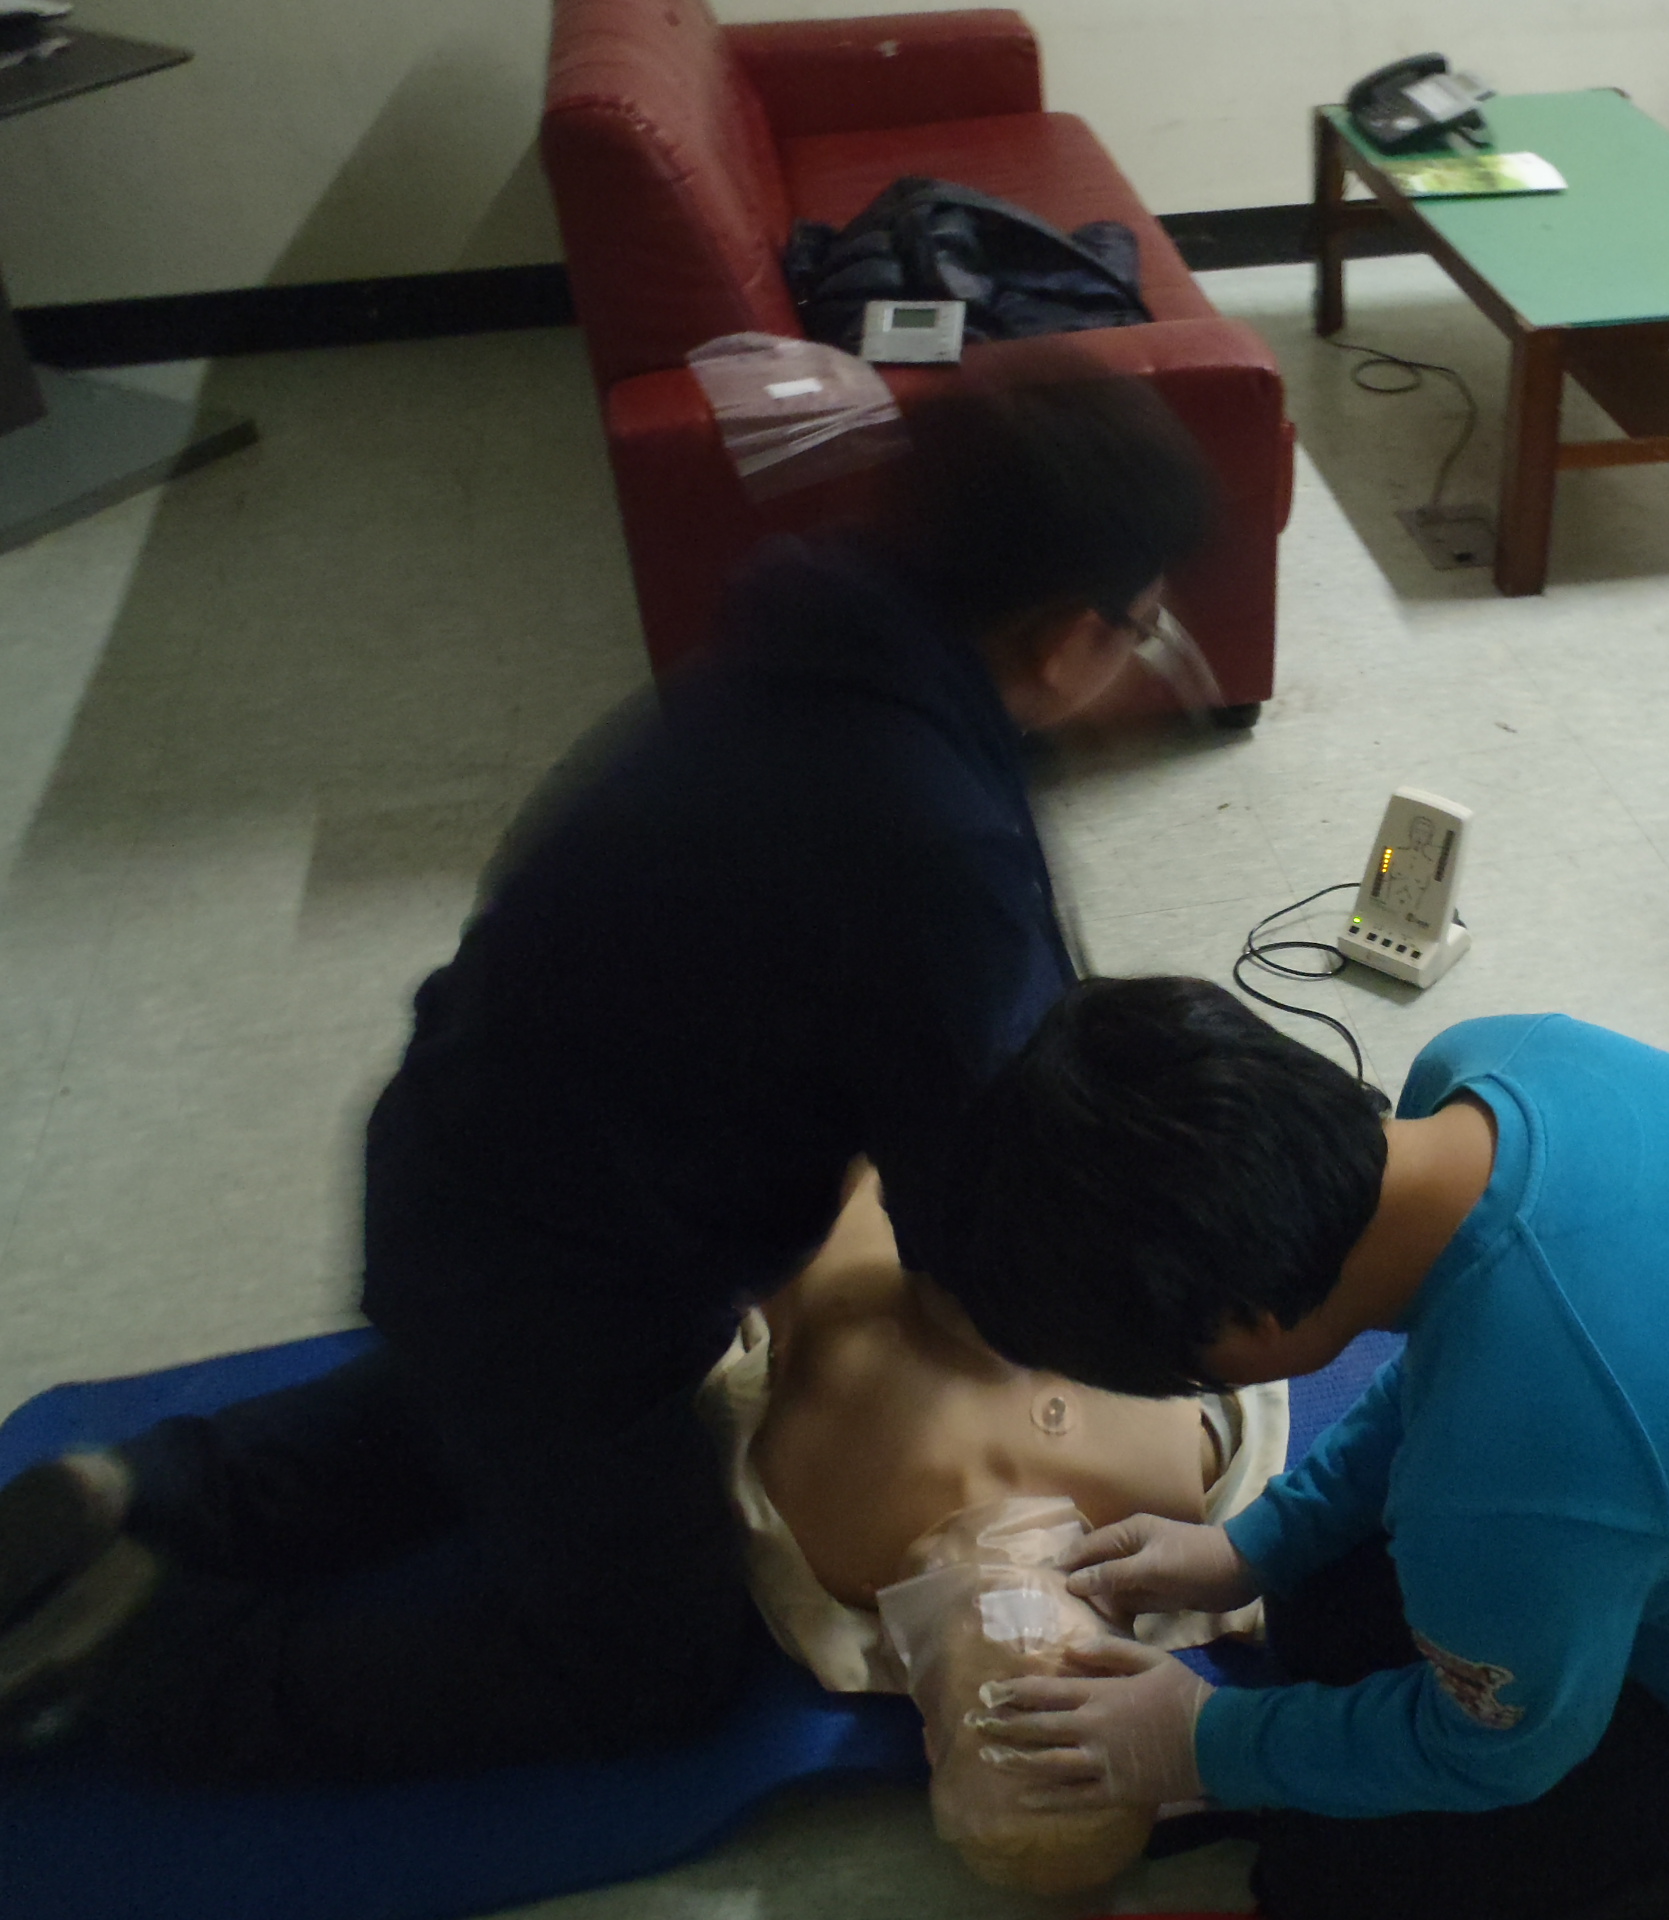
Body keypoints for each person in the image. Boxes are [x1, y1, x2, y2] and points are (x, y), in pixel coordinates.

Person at [0, 375, 1220, 1781]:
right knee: (649, 1666)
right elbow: (980, 1211)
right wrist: (1114, 1325)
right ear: (1071, 634)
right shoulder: (933, 839)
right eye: (1143, 627)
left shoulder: (825, 639)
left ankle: (145, 1493)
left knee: (481, 1417)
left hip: (464, 1168)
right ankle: (138, 1667)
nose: (1147, 662)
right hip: (572, 1267)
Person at [930, 979, 1669, 1920]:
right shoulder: (1485, 1070)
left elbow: (1495, 1753)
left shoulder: (1514, 1472)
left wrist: (1201, 1743)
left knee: (1339, 1884)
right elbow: (1462, 1360)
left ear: (1248, 1326)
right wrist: (1252, 1548)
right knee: (1321, 1617)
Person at [700, 1162, 1288, 1893]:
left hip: (833, 1149)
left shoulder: (828, 1545)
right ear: (1135, 1689)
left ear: (931, 1742)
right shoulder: (1174, 1500)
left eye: (1008, 1740)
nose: (1034, 1696)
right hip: (1050, 1153)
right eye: (1069, 1731)